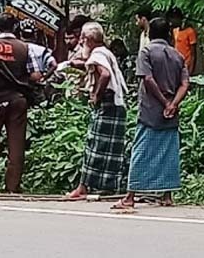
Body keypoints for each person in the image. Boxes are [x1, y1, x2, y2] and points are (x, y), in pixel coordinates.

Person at [114, 18, 190, 209]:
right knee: (169, 153)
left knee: (140, 151)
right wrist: (173, 104)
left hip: (150, 110)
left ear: (150, 34)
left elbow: (147, 79)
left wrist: (164, 102)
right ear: (167, 35)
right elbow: (185, 84)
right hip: (171, 113)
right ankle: (167, 195)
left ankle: (130, 196)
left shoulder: (146, 52)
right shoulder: (177, 56)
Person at [0, 13, 42, 193]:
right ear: (15, 28)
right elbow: (36, 75)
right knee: (16, 143)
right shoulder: (25, 48)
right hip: (17, 101)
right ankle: (12, 187)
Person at [67, 22, 128, 199]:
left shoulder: (98, 53)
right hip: (116, 106)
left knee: (94, 145)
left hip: (107, 103)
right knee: (111, 149)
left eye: (82, 39)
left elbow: (105, 74)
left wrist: (96, 95)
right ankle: (108, 187)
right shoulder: (104, 52)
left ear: (88, 39)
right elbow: (89, 64)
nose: (80, 42)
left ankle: (83, 187)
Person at [168, 7, 197, 74]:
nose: (171, 22)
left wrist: (190, 71)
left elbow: (193, 54)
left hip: (186, 66)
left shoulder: (190, 31)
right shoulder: (175, 30)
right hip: (176, 65)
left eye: (173, 19)